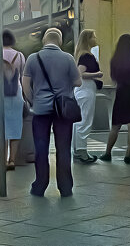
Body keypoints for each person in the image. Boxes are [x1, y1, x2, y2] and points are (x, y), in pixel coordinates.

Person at [23, 28, 81, 197]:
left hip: (41, 110)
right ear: (60, 41)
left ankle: (40, 185)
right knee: (63, 148)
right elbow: (78, 82)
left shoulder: (33, 58)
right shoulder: (68, 58)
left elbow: (25, 84)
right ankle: (65, 187)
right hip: (63, 111)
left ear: (44, 41)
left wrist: (34, 101)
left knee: (41, 149)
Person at [101, 34, 130, 163]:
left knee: (115, 125)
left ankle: (108, 153)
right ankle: (128, 155)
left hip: (121, 92)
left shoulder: (115, 60)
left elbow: (113, 77)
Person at [0, 30, 25, 169]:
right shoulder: (20, 56)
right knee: (15, 127)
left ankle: (2, 161)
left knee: (0, 128)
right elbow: (22, 75)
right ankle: (12, 160)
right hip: (16, 94)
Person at [73, 29, 102, 164]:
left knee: (79, 120)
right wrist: (97, 74)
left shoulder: (80, 55)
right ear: (88, 39)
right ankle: (81, 151)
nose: (95, 39)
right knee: (84, 120)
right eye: (93, 37)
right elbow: (80, 73)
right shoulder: (87, 56)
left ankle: (78, 149)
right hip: (86, 89)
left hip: (81, 90)